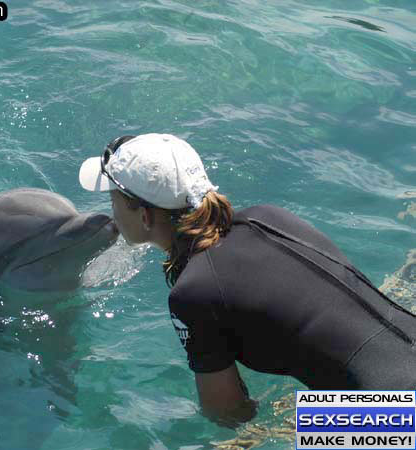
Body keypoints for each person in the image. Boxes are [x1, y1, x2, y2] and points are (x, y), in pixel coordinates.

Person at [78, 133, 416, 427]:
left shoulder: (194, 293)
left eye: (113, 201)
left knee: (292, 429)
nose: (111, 213)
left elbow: (228, 414)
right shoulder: (269, 217)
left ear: (145, 215)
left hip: (392, 415)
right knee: (307, 419)